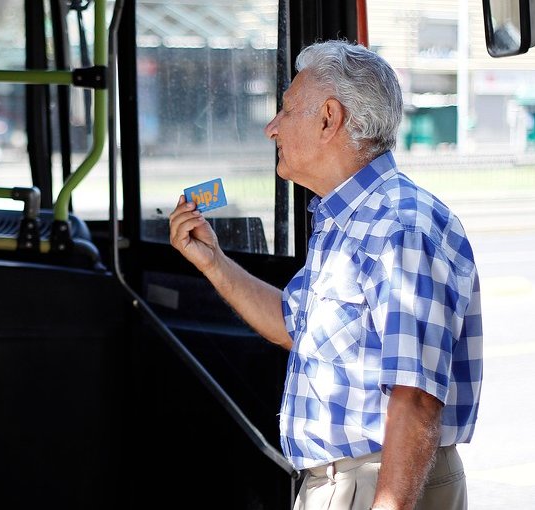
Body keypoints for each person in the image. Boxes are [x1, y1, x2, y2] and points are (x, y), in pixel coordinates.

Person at [168, 39, 482, 510]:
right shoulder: (345, 220)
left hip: (381, 483)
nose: (272, 128)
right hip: (343, 485)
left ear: (328, 118)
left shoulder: (400, 227)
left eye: (287, 110)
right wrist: (213, 261)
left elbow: (415, 399)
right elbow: (293, 325)